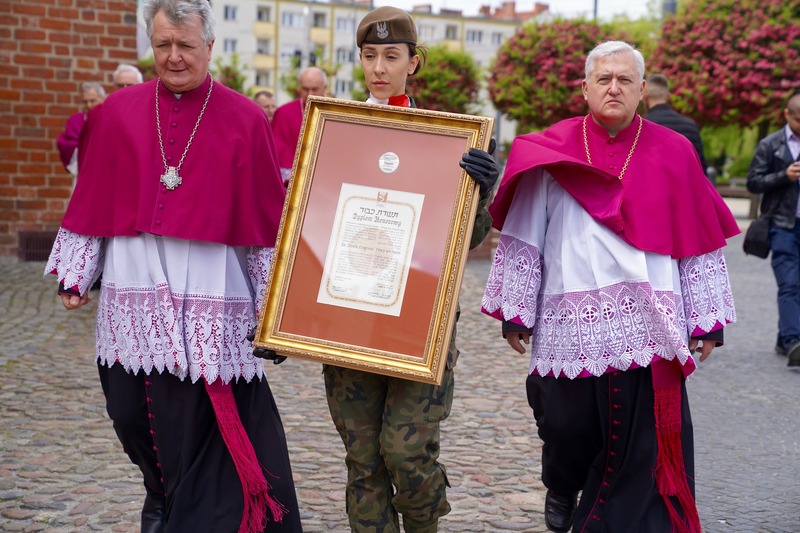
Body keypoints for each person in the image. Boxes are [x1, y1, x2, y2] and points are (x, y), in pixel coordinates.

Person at [44, 1, 302, 532]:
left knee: (192, 423)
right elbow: (94, 197)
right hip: (132, 287)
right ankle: (157, 489)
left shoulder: (246, 117)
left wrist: (272, 311)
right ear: (151, 44)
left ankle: (172, 512)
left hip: (212, 293)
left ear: (210, 47)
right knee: (129, 414)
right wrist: (77, 273)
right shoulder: (117, 112)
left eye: (186, 46)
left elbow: (262, 225)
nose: (174, 57)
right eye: (163, 45)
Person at [481, 41, 739, 532]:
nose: (614, 87)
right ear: (585, 88)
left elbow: (698, 238)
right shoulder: (550, 149)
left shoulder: (675, 151)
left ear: (643, 90)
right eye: (603, 79)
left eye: (625, 79)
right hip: (567, 318)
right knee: (565, 425)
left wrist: (707, 320)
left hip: (649, 322)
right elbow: (526, 229)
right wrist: (517, 310)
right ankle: (562, 482)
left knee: (637, 442)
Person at [265, 6, 496, 532]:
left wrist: (479, 192)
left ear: (413, 63)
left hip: (419, 325)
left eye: (391, 56)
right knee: (363, 460)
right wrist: (283, 313)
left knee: (406, 454)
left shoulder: (446, 140)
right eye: (370, 55)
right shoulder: (335, 134)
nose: (379, 68)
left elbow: (467, 242)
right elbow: (307, 227)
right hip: (348, 321)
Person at [746, 90, 800, 366]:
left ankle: (784, 337)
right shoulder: (771, 144)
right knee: (789, 283)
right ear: (787, 116)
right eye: (799, 120)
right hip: (782, 225)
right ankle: (793, 342)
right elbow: (753, 182)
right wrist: (784, 175)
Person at [643, 73, 709, 178]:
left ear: (645, 95)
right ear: (668, 96)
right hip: (684, 191)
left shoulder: (642, 127)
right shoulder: (690, 126)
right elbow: (701, 170)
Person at [270, 66, 328, 183]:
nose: (310, 94)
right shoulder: (284, 113)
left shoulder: (336, 113)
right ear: (299, 88)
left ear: (324, 88)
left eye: (315, 89)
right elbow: (279, 151)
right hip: (294, 182)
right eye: (305, 89)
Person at [56, 82, 106, 177]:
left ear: (102, 99)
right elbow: (66, 144)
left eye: (92, 101)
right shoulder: (75, 121)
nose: (89, 105)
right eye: (85, 102)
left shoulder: (109, 119)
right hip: (82, 171)